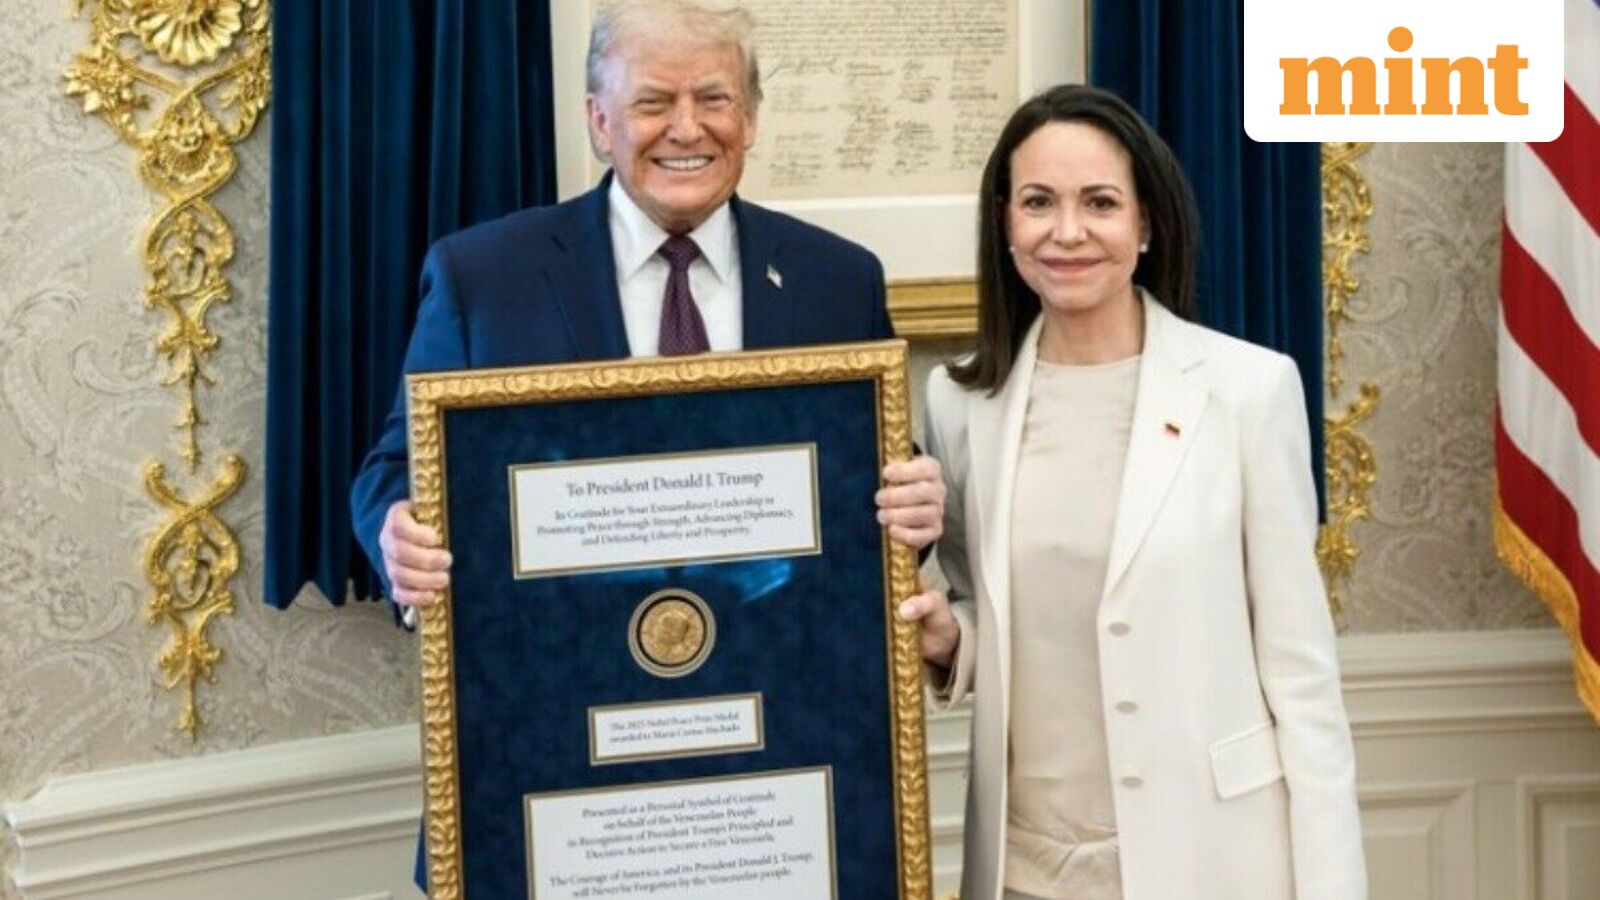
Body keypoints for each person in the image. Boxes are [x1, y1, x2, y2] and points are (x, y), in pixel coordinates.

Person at [896, 85, 1366, 900]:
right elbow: (992, 611)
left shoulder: (1248, 390)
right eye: (1039, 202)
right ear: (1005, 222)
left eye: (1100, 203)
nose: (1067, 232)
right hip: (1021, 867)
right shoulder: (959, 402)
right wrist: (947, 638)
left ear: (1146, 224)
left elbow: (1301, 671)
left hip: (1211, 858)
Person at [351, 0, 945, 622]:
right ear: (600, 122)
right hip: (559, 668)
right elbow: (397, 469)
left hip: (781, 666)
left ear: (750, 119)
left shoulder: (838, 280)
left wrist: (919, 512)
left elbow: (880, 487)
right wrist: (399, 531)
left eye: (714, 100)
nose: (687, 129)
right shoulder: (482, 280)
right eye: (653, 103)